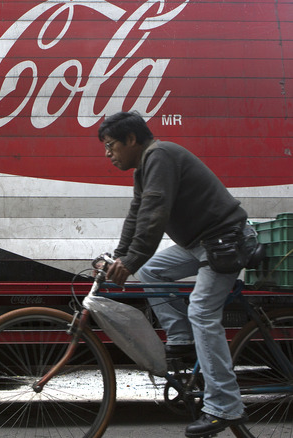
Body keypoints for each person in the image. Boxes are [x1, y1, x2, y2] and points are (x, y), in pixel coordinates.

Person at [98, 111, 248, 437]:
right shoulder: (145, 168)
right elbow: (136, 215)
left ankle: (225, 406)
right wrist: (120, 257)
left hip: (223, 241)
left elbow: (155, 213)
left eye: (111, 146)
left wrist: (130, 261)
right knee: (152, 272)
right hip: (199, 244)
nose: (108, 153)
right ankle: (182, 340)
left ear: (132, 139)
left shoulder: (160, 156)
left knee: (202, 310)